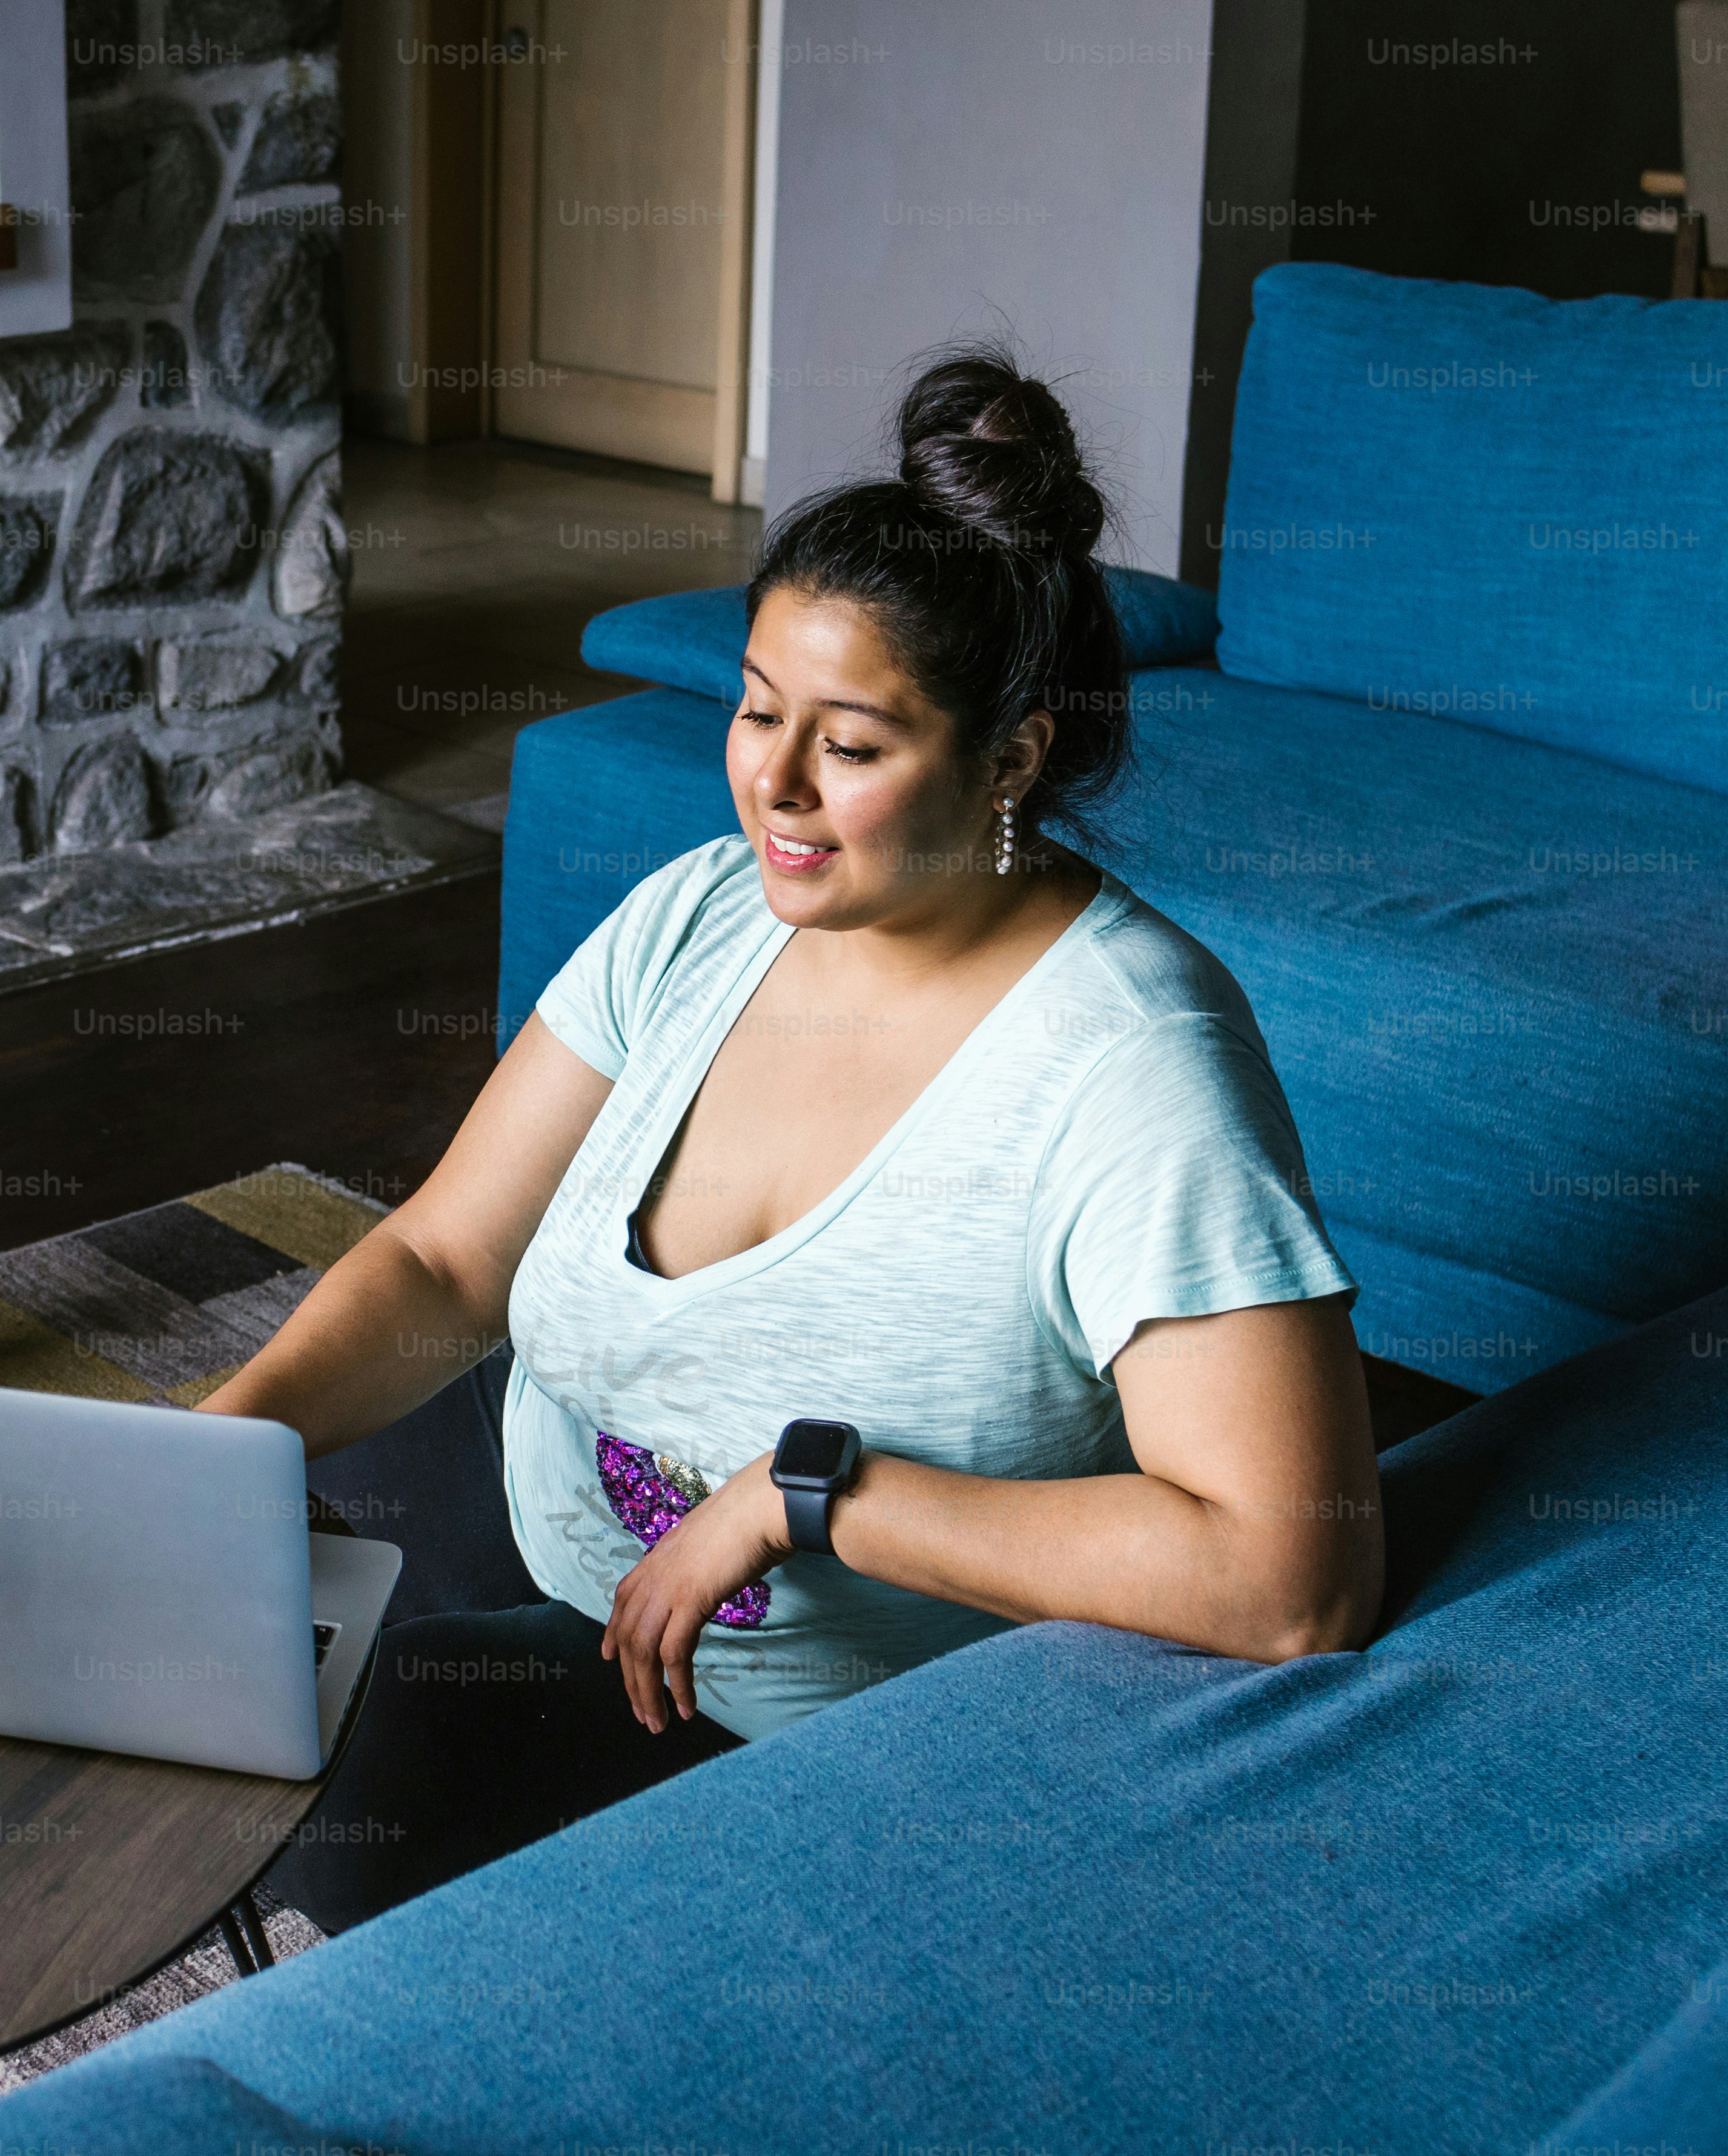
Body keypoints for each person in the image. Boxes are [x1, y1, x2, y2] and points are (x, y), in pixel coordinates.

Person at [207, 346, 1382, 1932]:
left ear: (1012, 758)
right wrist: (223, 1442)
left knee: (328, 1809)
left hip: (795, 1716)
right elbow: (440, 1256)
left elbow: (1288, 1576)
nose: (770, 781)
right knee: (205, 1622)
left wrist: (811, 1495)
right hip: (564, 1494)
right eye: (756, 709)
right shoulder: (695, 912)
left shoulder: (1133, 1073)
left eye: (849, 744)